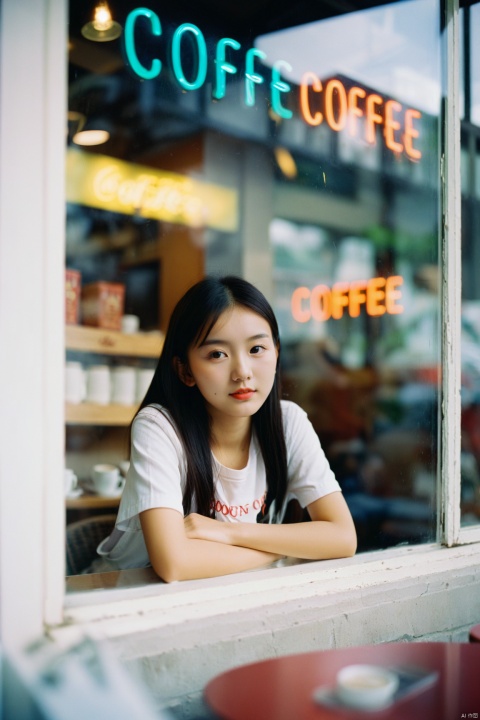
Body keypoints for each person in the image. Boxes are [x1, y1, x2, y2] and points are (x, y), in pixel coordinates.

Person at [97, 276, 357, 581]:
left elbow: (342, 538)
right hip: (127, 597)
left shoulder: (289, 423)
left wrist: (228, 532)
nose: (242, 372)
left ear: (276, 351)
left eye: (257, 349)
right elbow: (174, 564)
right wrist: (290, 545)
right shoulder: (159, 427)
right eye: (217, 354)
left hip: (231, 590)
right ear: (185, 370)